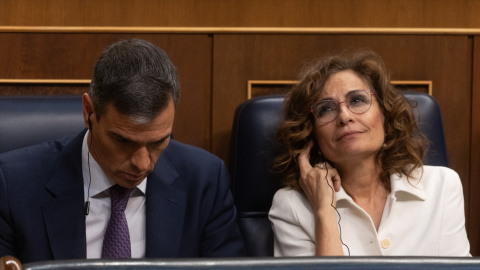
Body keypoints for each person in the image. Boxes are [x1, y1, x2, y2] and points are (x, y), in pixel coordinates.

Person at [0, 38, 246, 263]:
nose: (142, 164)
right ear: (89, 112)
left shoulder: (205, 181)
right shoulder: (13, 185)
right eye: (123, 141)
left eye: (158, 141)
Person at [268, 50, 470, 256]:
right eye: (326, 109)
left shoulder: (442, 186)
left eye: (357, 100)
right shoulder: (291, 206)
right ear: (311, 132)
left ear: (384, 113)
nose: (344, 116)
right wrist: (324, 212)